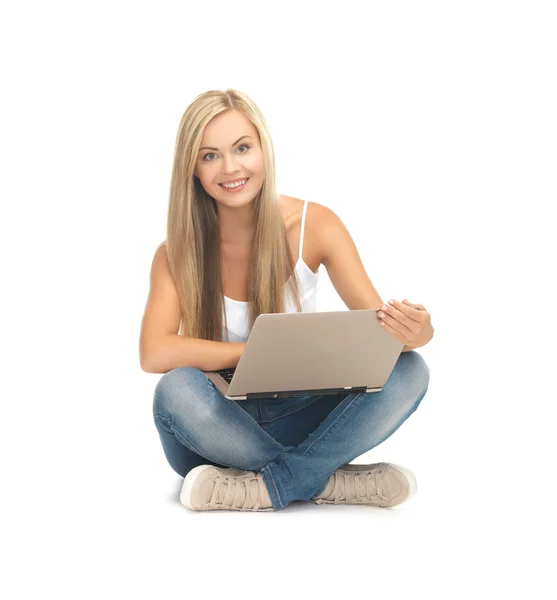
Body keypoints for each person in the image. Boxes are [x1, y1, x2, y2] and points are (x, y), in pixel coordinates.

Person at [140, 88, 434, 512]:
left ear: (264, 149)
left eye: (242, 148)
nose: (231, 167)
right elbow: (155, 351)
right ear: (193, 170)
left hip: (304, 414)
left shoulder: (314, 224)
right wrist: (256, 354)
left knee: (411, 371)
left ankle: (268, 484)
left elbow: (381, 335)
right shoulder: (175, 252)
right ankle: (324, 481)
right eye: (210, 156)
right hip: (218, 422)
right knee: (175, 390)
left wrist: (418, 332)